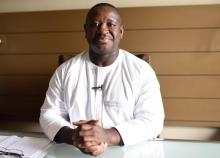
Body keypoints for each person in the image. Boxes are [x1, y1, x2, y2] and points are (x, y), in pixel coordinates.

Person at [40, 3, 164, 156]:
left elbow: (153, 121)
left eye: (110, 24)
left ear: (121, 31)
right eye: (95, 24)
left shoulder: (141, 71)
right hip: (74, 151)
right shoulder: (65, 71)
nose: (103, 30)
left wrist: (108, 136)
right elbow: (48, 115)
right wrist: (74, 137)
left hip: (128, 152)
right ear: (86, 31)